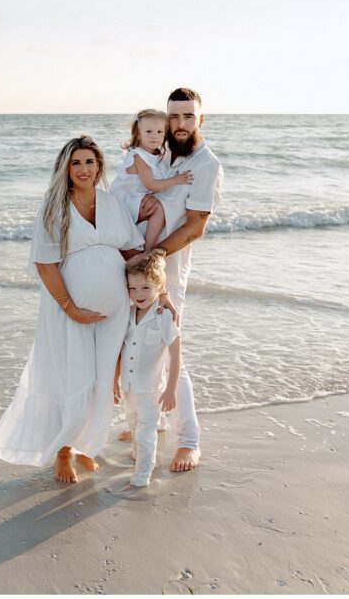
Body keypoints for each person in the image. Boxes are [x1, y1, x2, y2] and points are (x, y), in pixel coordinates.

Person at [0, 135, 150, 484]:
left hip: (115, 309)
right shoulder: (54, 208)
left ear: (99, 166)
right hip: (68, 309)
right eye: (76, 162)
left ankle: (83, 446)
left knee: (103, 380)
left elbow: (130, 251)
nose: (83, 169)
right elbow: (46, 264)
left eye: (90, 162)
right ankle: (61, 451)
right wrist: (70, 308)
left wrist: (155, 290)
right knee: (72, 376)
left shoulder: (110, 203)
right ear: (65, 168)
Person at [126, 87, 224, 473]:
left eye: (188, 116)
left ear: (201, 119)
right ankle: (156, 419)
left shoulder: (205, 164)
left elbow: (196, 226)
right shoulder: (162, 151)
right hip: (143, 264)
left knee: (168, 349)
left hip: (167, 268)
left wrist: (153, 258)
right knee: (141, 344)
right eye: (174, 117)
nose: (180, 124)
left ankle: (189, 441)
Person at [112, 251, 181, 488]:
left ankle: (141, 477)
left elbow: (175, 354)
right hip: (129, 386)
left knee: (145, 433)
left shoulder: (163, 317)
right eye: (132, 288)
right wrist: (115, 381)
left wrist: (171, 390)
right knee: (132, 424)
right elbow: (121, 351)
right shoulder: (129, 314)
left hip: (151, 389)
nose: (138, 294)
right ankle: (137, 454)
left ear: (159, 287)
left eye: (145, 287)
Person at [109, 109, 193, 250]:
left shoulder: (154, 154)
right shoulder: (139, 156)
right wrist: (176, 180)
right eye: (149, 132)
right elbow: (151, 184)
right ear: (138, 134)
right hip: (125, 199)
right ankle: (149, 248)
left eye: (159, 132)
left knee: (161, 206)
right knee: (159, 208)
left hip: (137, 195)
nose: (155, 136)